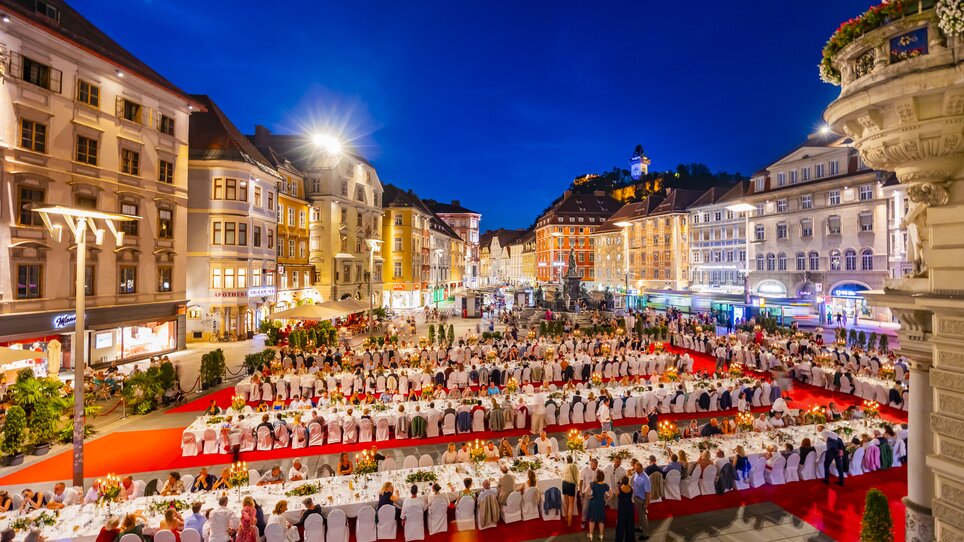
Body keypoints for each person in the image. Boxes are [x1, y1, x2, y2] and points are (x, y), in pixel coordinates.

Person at [586, 470, 611, 541]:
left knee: (592, 519)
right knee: (601, 519)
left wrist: (589, 496)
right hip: (601, 503)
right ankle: (601, 535)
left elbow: (585, 492)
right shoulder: (605, 485)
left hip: (593, 503)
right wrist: (607, 500)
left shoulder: (592, 484)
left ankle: (591, 534)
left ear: (596, 477)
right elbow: (611, 494)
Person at [631, 461, 651, 540]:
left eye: (637, 469)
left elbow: (648, 492)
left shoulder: (645, 479)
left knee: (643, 517)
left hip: (642, 500)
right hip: (636, 497)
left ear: (641, 469)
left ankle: (646, 534)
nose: (636, 470)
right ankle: (641, 527)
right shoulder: (636, 473)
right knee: (640, 515)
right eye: (635, 469)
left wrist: (646, 503)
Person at [614, 475, 636, 542]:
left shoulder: (619, 489)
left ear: (622, 481)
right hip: (630, 507)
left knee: (620, 525)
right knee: (630, 525)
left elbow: (617, 495)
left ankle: (619, 540)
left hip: (622, 508)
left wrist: (619, 486)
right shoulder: (631, 488)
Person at [561, 455, 579, 527]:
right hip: (571, 485)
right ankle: (569, 523)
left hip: (564, 484)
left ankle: (566, 517)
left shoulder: (565, 466)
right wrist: (577, 483)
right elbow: (576, 476)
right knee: (571, 505)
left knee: (566, 503)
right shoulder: (574, 466)